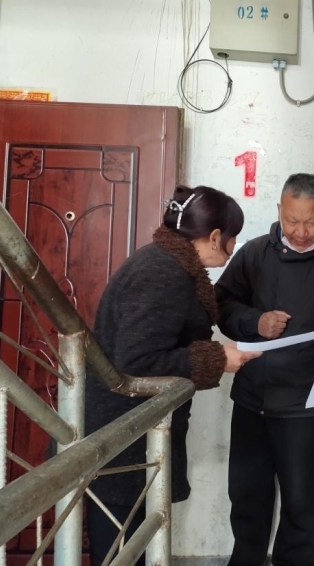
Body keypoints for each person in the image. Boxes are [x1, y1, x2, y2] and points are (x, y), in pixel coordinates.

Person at [84, 185, 259, 566]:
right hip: (122, 441)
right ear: (215, 237)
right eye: (233, 239)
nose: (232, 249)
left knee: (132, 549)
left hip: (128, 438)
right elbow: (137, 360)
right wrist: (218, 358)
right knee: (119, 554)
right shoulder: (163, 272)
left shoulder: (166, 263)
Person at [215, 173, 314, 566]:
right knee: (246, 499)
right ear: (279, 210)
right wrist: (255, 321)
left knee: (300, 505)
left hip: (305, 406)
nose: (300, 232)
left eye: (310, 222)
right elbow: (222, 305)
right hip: (252, 401)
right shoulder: (253, 254)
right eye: (292, 220)